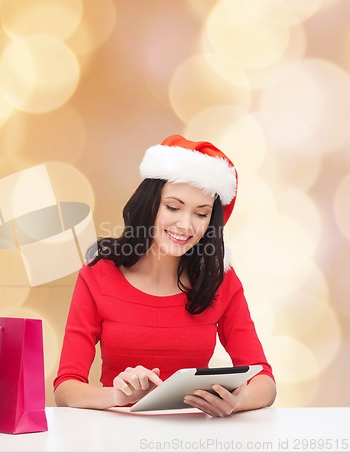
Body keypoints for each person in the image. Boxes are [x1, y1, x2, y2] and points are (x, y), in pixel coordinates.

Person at [53, 135, 276, 417]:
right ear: (150, 205)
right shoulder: (98, 275)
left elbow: (265, 382)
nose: (185, 225)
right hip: (115, 434)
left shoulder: (220, 280)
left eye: (201, 213)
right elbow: (66, 389)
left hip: (194, 437)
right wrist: (118, 395)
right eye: (173, 207)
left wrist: (237, 401)